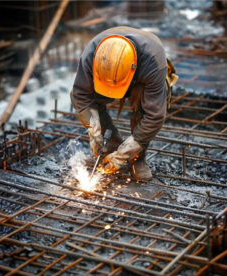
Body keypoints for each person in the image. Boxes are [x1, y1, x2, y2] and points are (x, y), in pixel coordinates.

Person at [70, 26, 177, 180]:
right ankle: (109, 148)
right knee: (86, 99)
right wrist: (94, 129)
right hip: (110, 72)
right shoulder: (91, 55)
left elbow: (154, 116)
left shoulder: (153, 61)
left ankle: (136, 158)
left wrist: (124, 154)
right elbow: (80, 95)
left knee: (143, 102)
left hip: (142, 77)